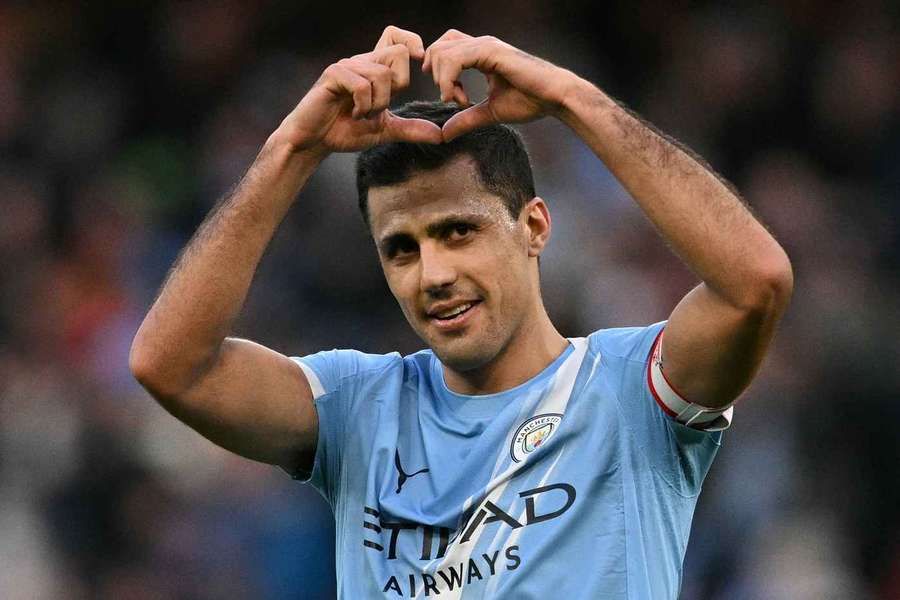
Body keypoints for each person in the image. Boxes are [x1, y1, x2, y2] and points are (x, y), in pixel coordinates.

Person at [130, 26, 793, 599]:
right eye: (402, 249)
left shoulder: (629, 389)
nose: (434, 274)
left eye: (458, 231)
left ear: (534, 227)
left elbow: (755, 285)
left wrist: (573, 100)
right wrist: (291, 150)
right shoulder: (359, 409)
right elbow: (172, 367)